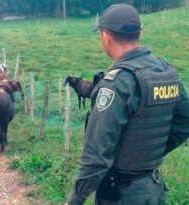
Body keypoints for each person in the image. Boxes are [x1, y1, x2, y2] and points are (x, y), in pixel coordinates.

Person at [65, 3, 189, 205]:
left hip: (119, 194)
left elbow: (97, 154)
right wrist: (149, 154)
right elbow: (184, 123)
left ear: (105, 36)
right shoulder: (167, 72)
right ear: (140, 33)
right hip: (153, 189)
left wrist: (74, 199)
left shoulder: (117, 84)